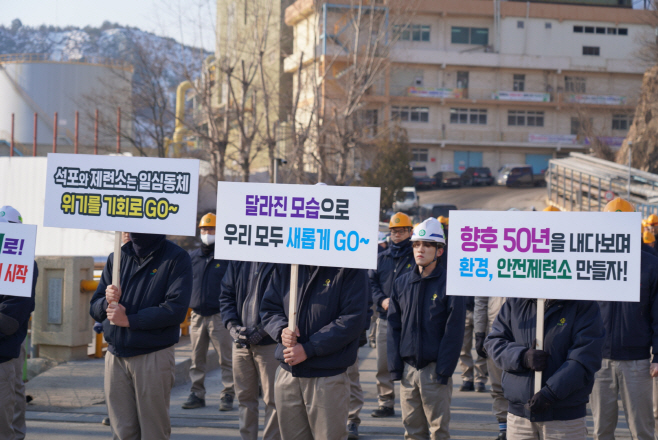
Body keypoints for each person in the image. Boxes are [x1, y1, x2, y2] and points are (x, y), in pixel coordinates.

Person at [89, 233, 192, 439]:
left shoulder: (176, 257)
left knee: (153, 431)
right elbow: (95, 306)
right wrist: (106, 301)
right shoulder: (116, 257)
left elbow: (176, 309)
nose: (129, 229)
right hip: (115, 356)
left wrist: (131, 320)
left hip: (152, 355)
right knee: (121, 431)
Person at [260, 264, 369, 440]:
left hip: (327, 376)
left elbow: (352, 319)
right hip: (288, 372)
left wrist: (309, 349)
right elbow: (269, 308)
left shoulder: (349, 267)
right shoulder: (286, 265)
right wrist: (281, 330)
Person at [387, 217, 465, 440]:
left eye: (428, 245)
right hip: (407, 370)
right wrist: (395, 367)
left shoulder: (451, 284)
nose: (420, 249)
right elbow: (394, 326)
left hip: (435, 371)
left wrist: (444, 371)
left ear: (439, 251)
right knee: (412, 431)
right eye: (417, 244)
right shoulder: (401, 283)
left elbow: (454, 331)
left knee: (438, 431)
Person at [485, 298, 604, 439]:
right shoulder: (515, 302)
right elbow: (494, 343)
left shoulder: (584, 305)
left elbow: (584, 359)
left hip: (564, 419)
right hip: (519, 418)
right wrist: (522, 357)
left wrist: (550, 394)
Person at [590, 198, 658, 440]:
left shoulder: (650, 263)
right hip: (599, 360)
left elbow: (657, 314)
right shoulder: (591, 259)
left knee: (643, 431)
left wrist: (657, 356)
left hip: (638, 362)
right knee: (602, 431)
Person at [219, 260, 280, 440]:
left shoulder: (281, 261)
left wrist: (262, 331)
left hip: (269, 343)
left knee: (273, 400)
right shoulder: (238, 260)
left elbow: (286, 301)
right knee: (244, 398)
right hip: (241, 343)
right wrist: (232, 326)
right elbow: (226, 295)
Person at [182, 213, 235, 412]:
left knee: (226, 359)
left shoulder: (227, 256)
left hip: (220, 316)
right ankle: (196, 393)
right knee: (196, 359)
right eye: (204, 229)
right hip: (196, 315)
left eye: (211, 229)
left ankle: (228, 394)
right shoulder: (192, 257)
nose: (207, 233)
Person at [369, 212, 415, 418]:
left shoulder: (415, 257)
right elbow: (371, 283)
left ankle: (411, 401)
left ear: (410, 231)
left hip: (410, 319)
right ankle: (385, 401)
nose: (397, 235)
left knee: (410, 361)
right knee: (383, 363)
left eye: (401, 230)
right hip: (385, 318)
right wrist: (381, 300)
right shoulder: (381, 259)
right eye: (394, 231)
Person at [0, 206, 37, 440]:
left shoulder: (23, 264)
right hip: (10, 349)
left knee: (9, 407)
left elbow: (10, 320)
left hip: (7, 350)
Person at [474, 296, 508, 440]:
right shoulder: (490, 273)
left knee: (524, 386)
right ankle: (504, 429)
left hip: (525, 331)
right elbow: (481, 300)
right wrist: (480, 332)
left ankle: (524, 427)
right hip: (495, 332)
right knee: (498, 385)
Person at [459, 296, 488, 392]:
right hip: (464, 308)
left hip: (482, 309)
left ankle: (480, 379)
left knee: (482, 347)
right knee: (463, 347)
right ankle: (467, 378)